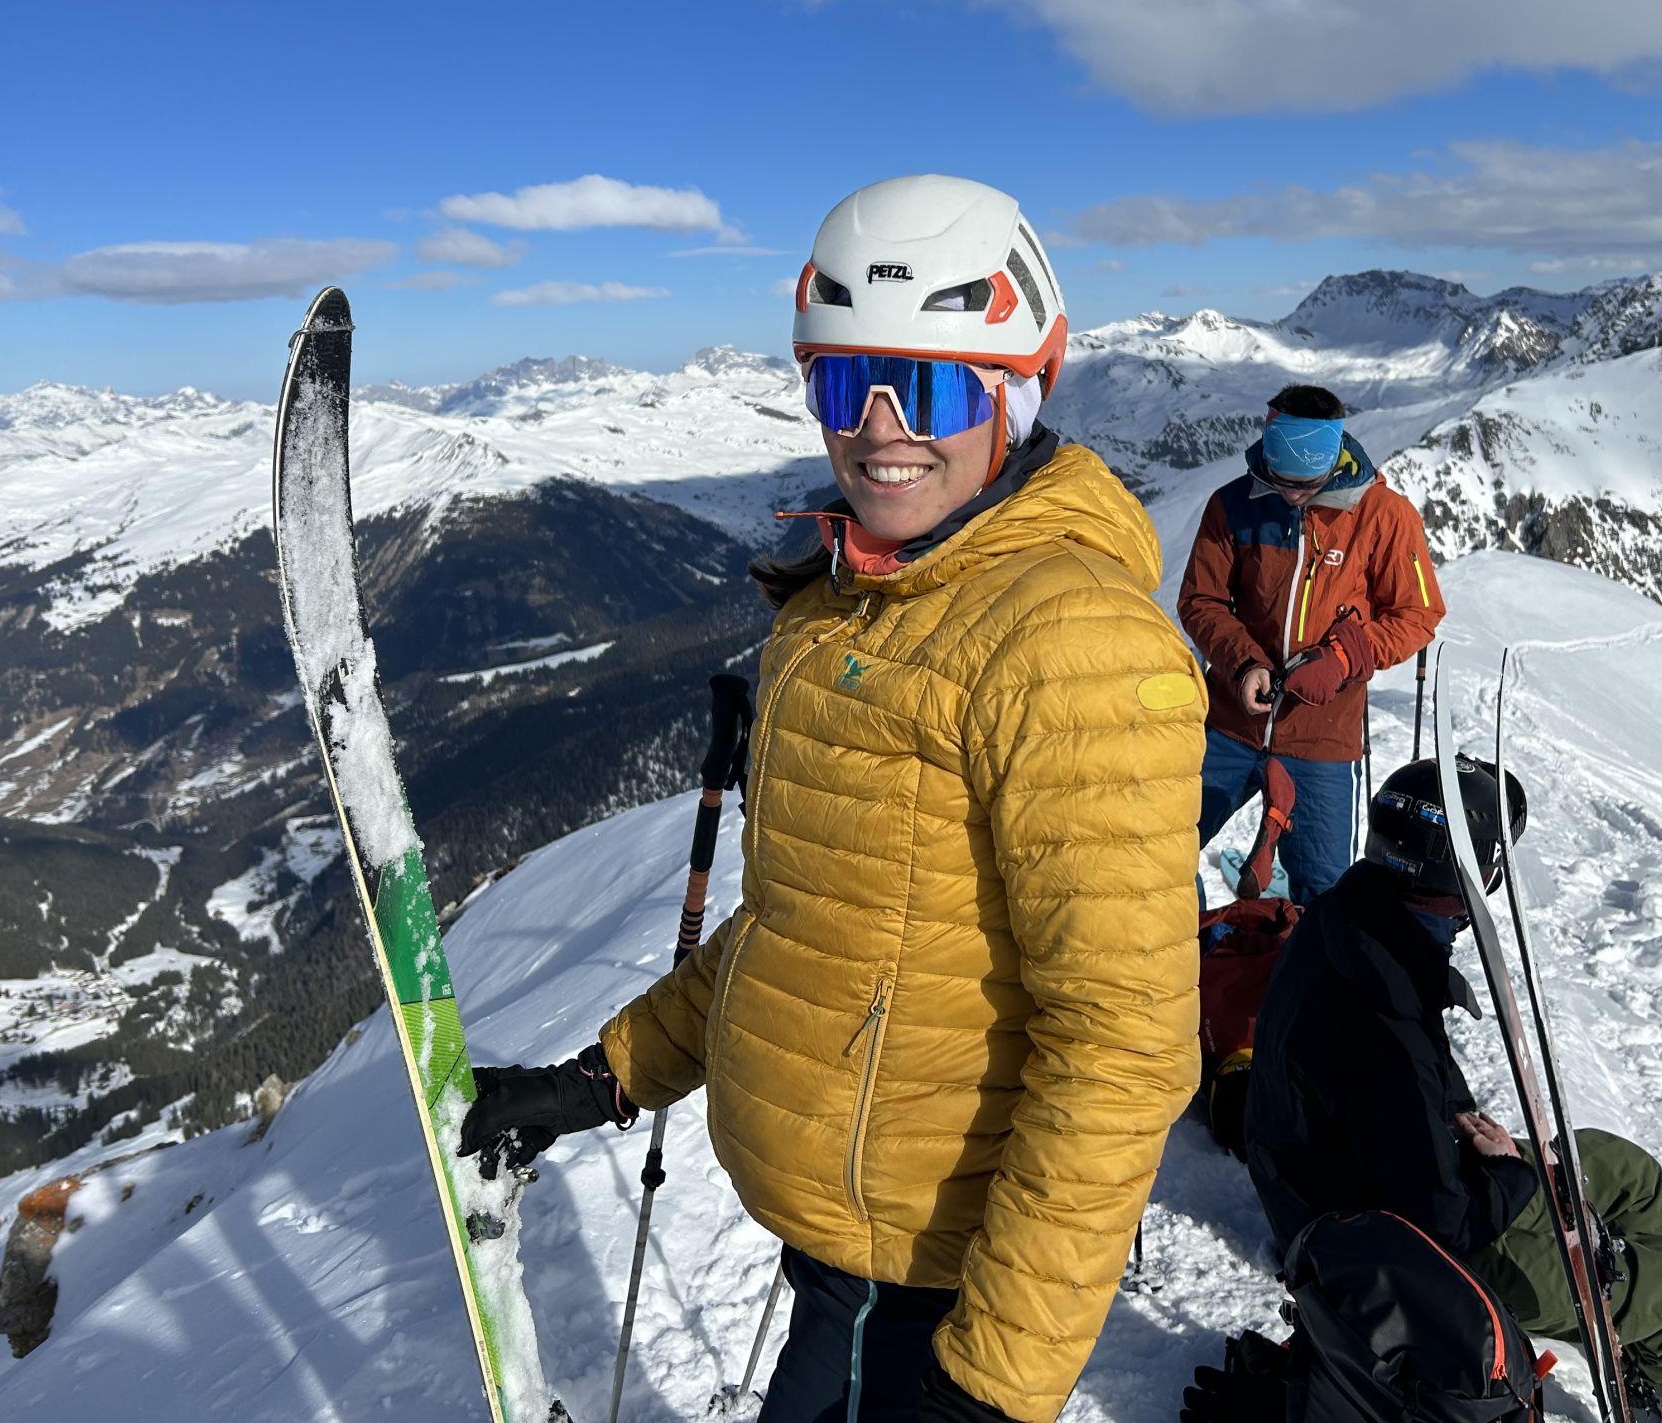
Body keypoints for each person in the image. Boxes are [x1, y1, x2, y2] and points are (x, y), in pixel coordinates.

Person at [458, 175, 1207, 1423]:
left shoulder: (1071, 643)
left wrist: (993, 1385)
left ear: (1019, 392)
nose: (877, 428)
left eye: (930, 386)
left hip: (929, 1279)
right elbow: (803, 927)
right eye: (844, 380)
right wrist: (605, 1078)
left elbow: (1125, 1048)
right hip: (849, 1247)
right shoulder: (849, 604)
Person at [1237, 758, 1662, 1423]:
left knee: (1625, 1171)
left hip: (1352, 1183)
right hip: (1386, 1248)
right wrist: (1507, 1174)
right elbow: (1441, 1219)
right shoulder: (1385, 1021)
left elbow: (1399, 1108)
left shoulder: (1358, 915)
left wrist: (1462, 1127)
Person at [1177, 386, 1443, 906]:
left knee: (1324, 896)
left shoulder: (1383, 516)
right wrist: (1243, 663)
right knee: (1160, 848)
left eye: (1307, 484)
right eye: (1282, 481)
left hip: (1323, 739)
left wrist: (1343, 658)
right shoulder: (1233, 504)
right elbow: (1201, 600)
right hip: (1231, 723)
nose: (1293, 495)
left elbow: (1418, 614)